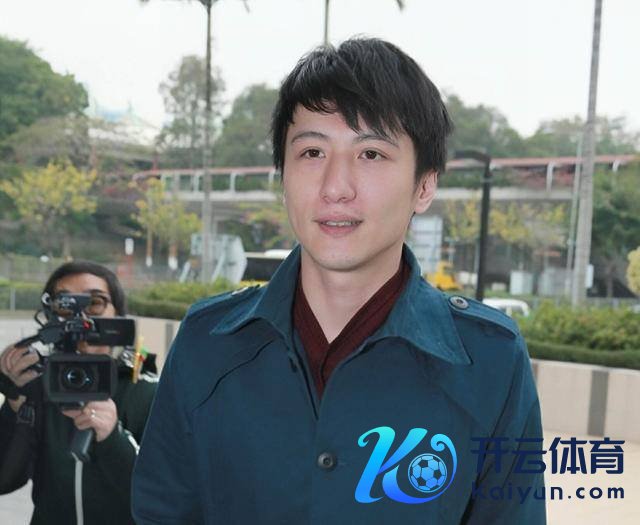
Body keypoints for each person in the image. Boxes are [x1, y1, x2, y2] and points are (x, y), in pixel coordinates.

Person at [132, 38, 545, 524]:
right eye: (312, 152)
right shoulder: (207, 345)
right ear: (283, 176)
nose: (335, 187)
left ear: (425, 185)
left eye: (371, 153)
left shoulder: (490, 361)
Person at [0, 261, 157, 525]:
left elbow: (164, 495)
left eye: (95, 302)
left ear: (118, 315)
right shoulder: (37, 389)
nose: (81, 316)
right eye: (65, 304)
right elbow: (4, 480)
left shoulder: (147, 391)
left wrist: (113, 439)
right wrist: (14, 405)